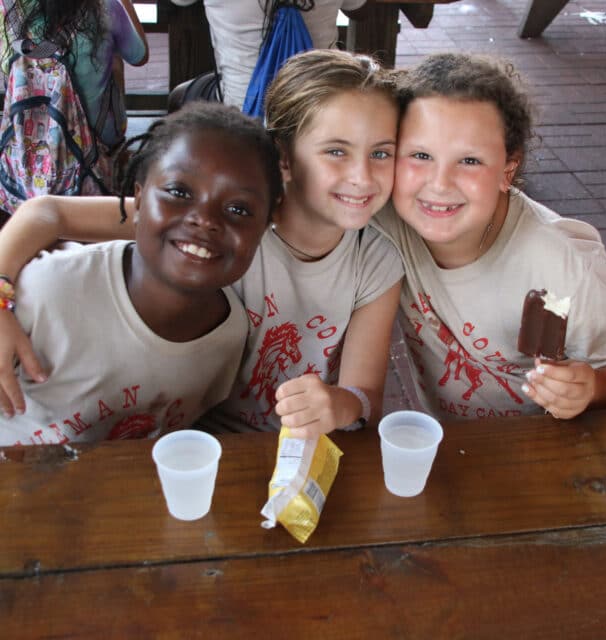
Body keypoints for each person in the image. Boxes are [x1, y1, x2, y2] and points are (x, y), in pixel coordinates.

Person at [0, 49, 403, 439]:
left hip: (291, 452)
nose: (362, 176)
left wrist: (339, 404)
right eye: (336, 151)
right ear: (284, 158)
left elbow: (364, 398)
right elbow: (48, 213)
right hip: (192, 437)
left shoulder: (373, 261)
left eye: (381, 153)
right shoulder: (228, 219)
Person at [373, 52, 606, 421]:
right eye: (420, 155)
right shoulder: (387, 221)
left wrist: (591, 387)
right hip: (453, 445)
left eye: (470, 161)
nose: (439, 183)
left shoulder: (559, 263)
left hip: (545, 448)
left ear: (507, 171)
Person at [0, 101, 282, 445]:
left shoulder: (229, 335)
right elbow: (45, 212)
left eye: (238, 208)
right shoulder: (46, 292)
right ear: (137, 199)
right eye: (179, 192)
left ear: (266, 226)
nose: (205, 219)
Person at [0, 0, 148, 150]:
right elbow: (139, 57)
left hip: (24, 141)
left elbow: (6, 67)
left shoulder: (10, 8)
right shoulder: (107, 7)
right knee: (114, 58)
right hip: (95, 138)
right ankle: (114, 148)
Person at [169, 0, 368, 109]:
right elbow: (360, 10)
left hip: (240, 104)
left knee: (179, 94)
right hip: (320, 100)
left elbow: (177, 2)